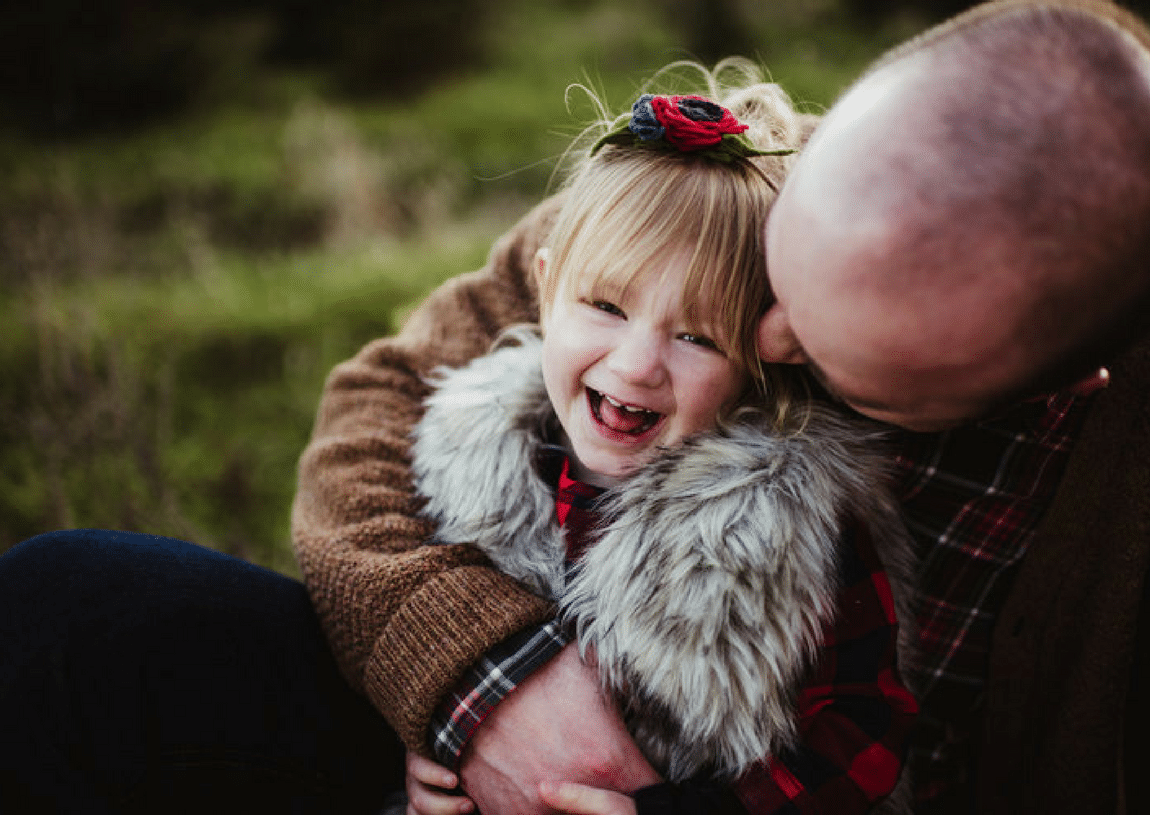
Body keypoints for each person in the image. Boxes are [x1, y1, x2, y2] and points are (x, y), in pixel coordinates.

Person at [291, 1, 1150, 814]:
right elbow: (379, 401)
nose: (766, 343)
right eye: (782, 270)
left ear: (1058, 383)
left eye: (827, 354)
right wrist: (472, 678)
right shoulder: (724, 194)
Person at [400, 74, 917, 815]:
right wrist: (436, 738)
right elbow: (428, 626)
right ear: (546, 292)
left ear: (756, 362)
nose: (638, 362)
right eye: (606, 306)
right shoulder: (476, 455)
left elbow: (863, 735)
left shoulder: (791, 521)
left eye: (697, 336)